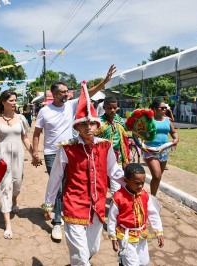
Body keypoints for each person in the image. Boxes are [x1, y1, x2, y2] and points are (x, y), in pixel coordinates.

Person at [42, 82, 124, 265]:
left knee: (92, 249)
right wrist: (48, 203)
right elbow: (56, 176)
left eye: (91, 124)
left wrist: (122, 193)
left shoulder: (105, 145)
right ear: (77, 127)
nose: (88, 128)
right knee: (80, 255)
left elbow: (114, 171)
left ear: (97, 125)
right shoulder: (67, 148)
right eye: (83, 124)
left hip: (97, 205)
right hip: (74, 204)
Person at [33, 65, 117, 242]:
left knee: (70, 185)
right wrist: (35, 152)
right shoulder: (44, 111)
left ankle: (73, 213)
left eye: (67, 92)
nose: (67, 94)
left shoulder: (71, 105)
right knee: (57, 185)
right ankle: (57, 222)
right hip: (51, 152)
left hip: (73, 151)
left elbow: (88, 94)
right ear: (54, 94)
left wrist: (104, 82)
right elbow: (37, 133)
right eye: (63, 92)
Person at [0, 90, 34, 239]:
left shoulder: (21, 118)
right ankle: (8, 225)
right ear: (3, 102)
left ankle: (14, 200)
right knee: (5, 186)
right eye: (11, 100)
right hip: (2, 155)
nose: (14, 103)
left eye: (15, 100)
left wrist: (34, 154)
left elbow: (25, 138)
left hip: (18, 154)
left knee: (17, 184)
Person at [107, 163, 164, 266]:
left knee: (144, 262)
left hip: (141, 235)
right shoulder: (118, 197)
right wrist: (113, 237)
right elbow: (112, 218)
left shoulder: (145, 195)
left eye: (143, 183)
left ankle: (123, 260)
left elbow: (153, 214)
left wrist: (158, 232)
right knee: (131, 264)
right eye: (137, 183)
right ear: (126, 180)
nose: (141, 186)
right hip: (126, 237)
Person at [144, 100, 179, 196]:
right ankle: (152, 198)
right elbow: (138, 131)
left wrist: (176, 139)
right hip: (150, 150)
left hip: (164, 151)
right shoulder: (148, 120)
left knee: (158, 177)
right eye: (162, 108)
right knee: (157, 176)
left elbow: (173, 132)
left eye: (165, 108)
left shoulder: (167, 120)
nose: (165, 110)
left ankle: (153, 197)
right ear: (155, 109)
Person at [97, 97, 130, 169]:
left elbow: (124, 138)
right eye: (109, 108)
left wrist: (125, 160)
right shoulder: (98, 122)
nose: (112, 110)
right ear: (104, 108)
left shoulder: (119, 120)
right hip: (103, 155)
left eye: (115, 108)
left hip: (118, 157)